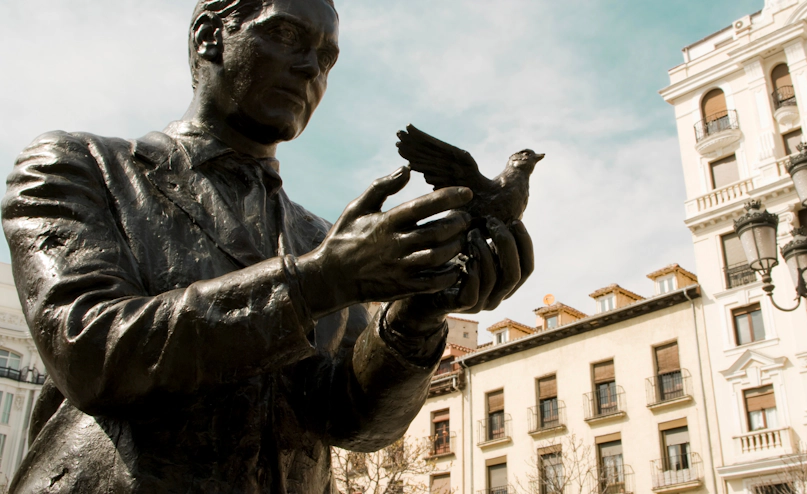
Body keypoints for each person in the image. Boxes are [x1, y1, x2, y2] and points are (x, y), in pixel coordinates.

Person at [1, 0, 533, 492]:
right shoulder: (81, 167)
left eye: (327, 59)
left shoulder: (319, 239)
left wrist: (415, 316)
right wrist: (320, 282)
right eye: (286, 35)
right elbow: (89, 349)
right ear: (211, 36)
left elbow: (353, 423)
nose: (311, 70)